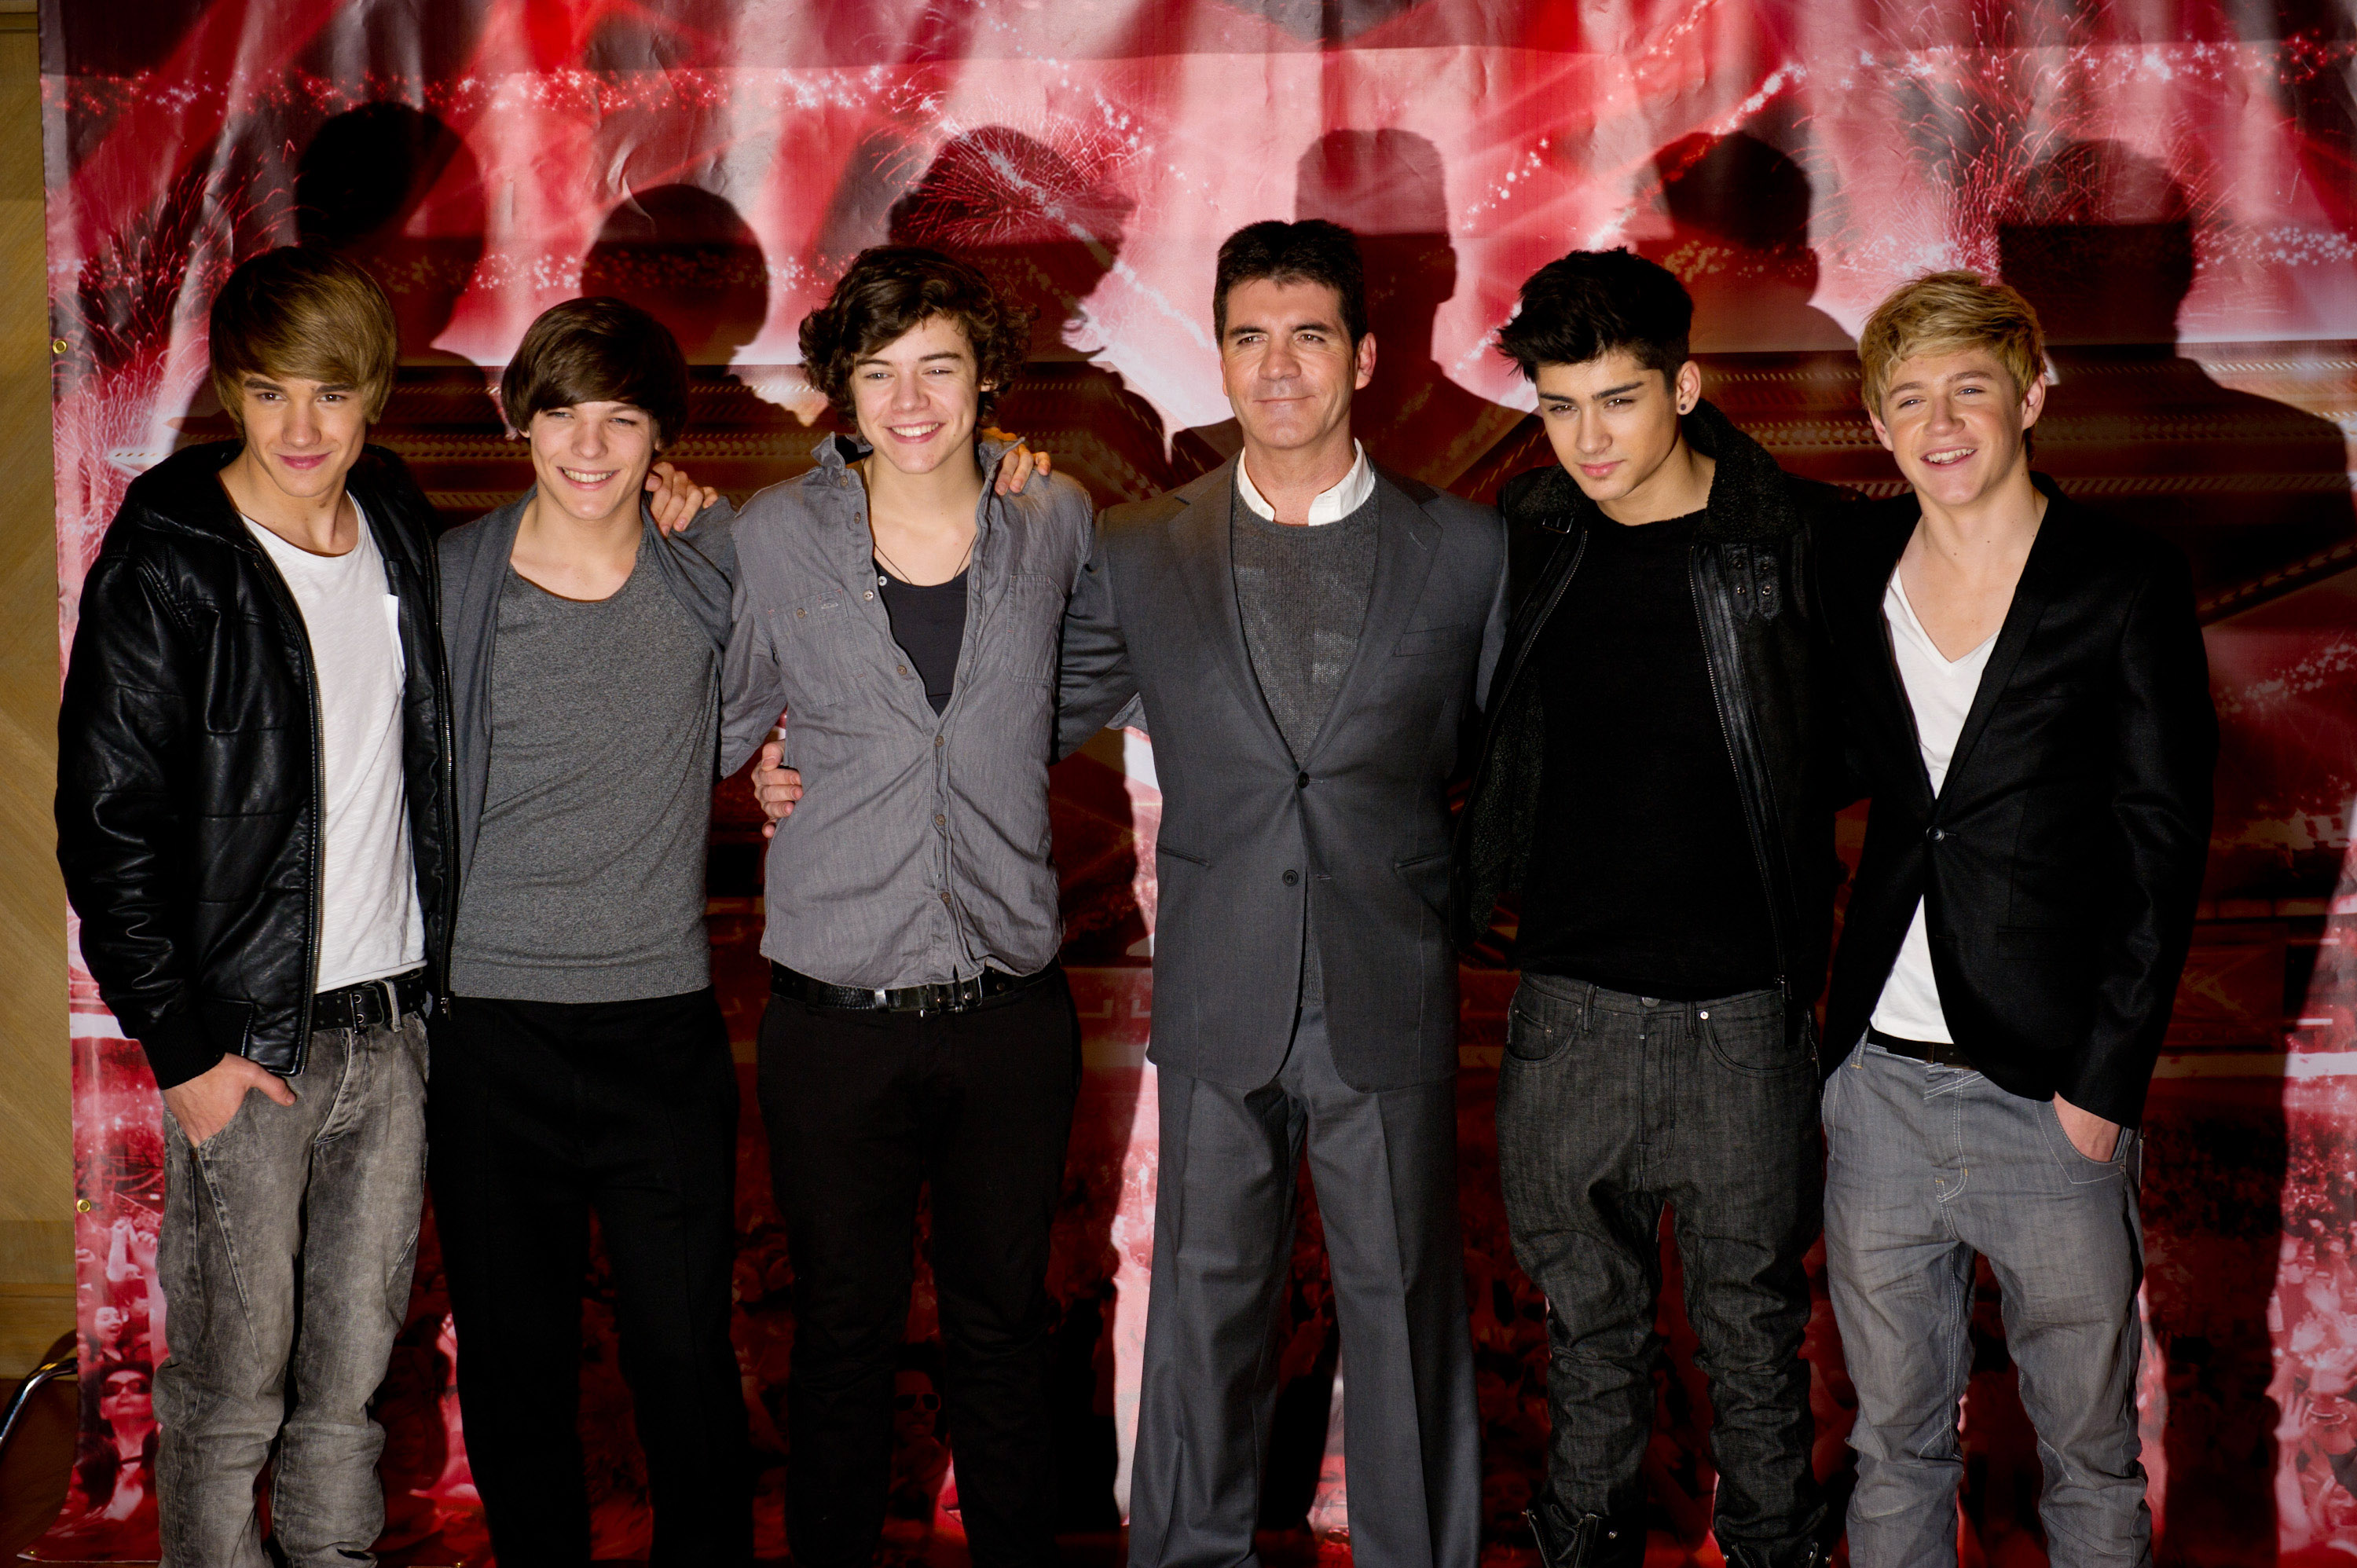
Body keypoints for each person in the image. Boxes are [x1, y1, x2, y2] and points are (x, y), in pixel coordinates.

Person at [1055, 218, 1505, 1568]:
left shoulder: (1467, 553)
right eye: (1250, 336)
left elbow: (1505, 762)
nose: (1279, 366)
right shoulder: (1139, 548)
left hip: (1389, 987)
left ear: (1364, 356)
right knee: (1200, 1306)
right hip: (1220, 987)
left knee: (1407, 1308)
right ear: (1222, 354)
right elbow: (1017, 710)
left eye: (1308, 336)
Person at [53, 247, 453, 1568]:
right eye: (269, 393)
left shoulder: (396, 518)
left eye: (329, 396)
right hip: (246, 1049)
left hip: (391, 1034)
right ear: (232, 389)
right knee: (232, 1401)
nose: (299, 428)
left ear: (373, 399)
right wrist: (187, 1057)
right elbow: (104, 825)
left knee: (347, 1395)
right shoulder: (172, 558)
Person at [1450, 248, 1846, 1568]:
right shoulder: (1528, 537)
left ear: (1685, 384)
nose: (1587, 439)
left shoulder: (1793, 539)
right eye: (1559, 407)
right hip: (1565, 1015)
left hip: (1740, 1014)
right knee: (1587, 1345)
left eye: (1616, 400)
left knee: (1754, 1344)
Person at [1816, 272, 2216, 1564]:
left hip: (2050, 1098)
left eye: (1970, 389)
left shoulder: (2123, 580)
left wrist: (2102, 1088)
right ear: (1880, 423)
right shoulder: (1854, 565)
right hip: (1876, 1088)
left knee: (2090, 1459)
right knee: (1890, 1454)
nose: (1941, 422)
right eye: (1910, 398)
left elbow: (2162, 851)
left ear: (2032, 395)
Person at [726, 244, 1097, 1568]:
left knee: (1004, 1328)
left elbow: (1088, 669)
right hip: (836, 1021)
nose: (912, 399)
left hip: (1010, 1014)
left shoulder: (1055, 520)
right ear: (842, 389)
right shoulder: (770, 536)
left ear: (988, 376)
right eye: (879, 373)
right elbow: (722, 718)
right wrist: (771, 769)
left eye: (939, 366)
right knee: (842, 1330)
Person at [426, 295, 753, 1566]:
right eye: (562, 412)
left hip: (658, 1029)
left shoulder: (711, 566)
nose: (589, 447)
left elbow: (819, 642)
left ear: (662, 434)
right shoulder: (451, 579)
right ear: (522, 420)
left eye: (622, 420)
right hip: (488, 1030)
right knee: (515, 1363)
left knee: (685, 1358)